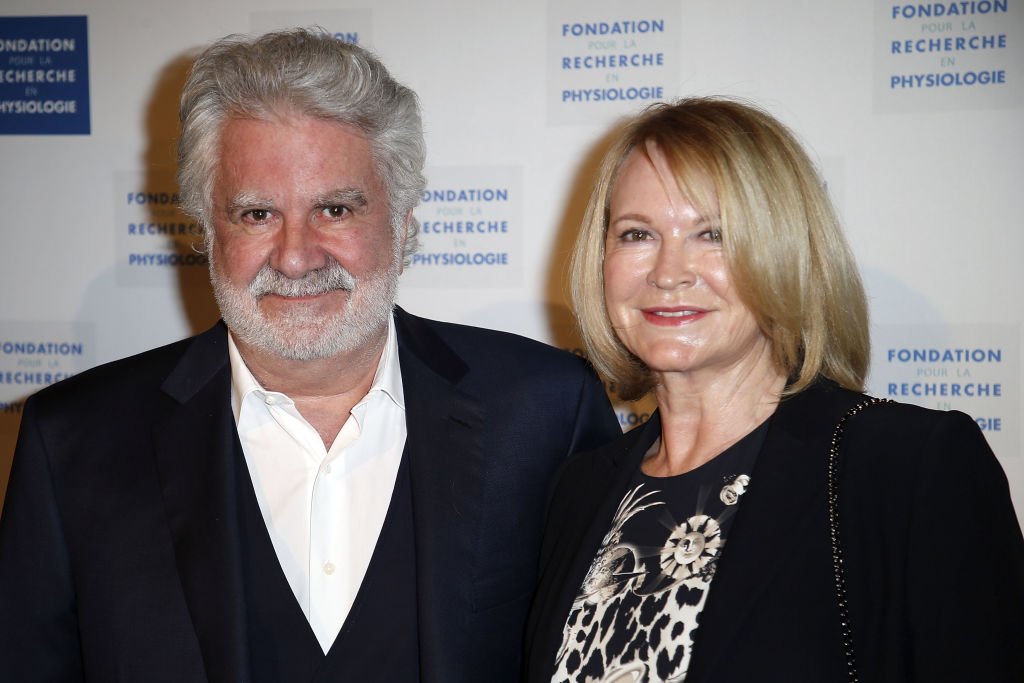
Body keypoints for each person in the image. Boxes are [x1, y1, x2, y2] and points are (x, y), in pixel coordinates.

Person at [0, 29, 620, 682]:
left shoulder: (548, 412)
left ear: (403, 221)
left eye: (333, 208)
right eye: (257, 213)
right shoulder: (71, 444)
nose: (296, 256)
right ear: (209, 231)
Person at [522, 98, 1024, 682]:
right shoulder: (578, 489)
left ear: (787, 254)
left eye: (713, 233)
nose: (668, 271)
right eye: (637, 234)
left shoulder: (909, 468)